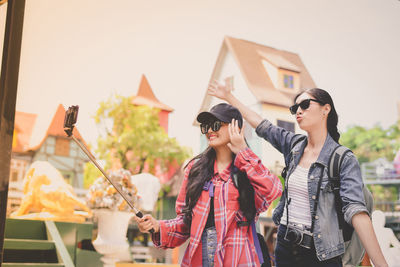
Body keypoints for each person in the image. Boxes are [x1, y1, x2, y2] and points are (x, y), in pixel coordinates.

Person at [207, 78, 388, 267]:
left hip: (322, 254)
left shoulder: (343, 158)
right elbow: (262, 125)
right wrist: (228, 96)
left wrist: (381, 264)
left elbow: (356, 211)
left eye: (305, 104)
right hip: (286, 245)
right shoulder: (294, 146)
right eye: (295, 108)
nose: (298, 111)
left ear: (326, 109)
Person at [134, 103, 282, 267]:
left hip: (239, 258)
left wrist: (243, 151)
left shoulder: (248, 170)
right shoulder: (195, 170)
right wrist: (157, 226)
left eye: (216, 125)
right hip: (200, 258)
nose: (210, 130)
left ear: (237, 128)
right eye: (206, 126)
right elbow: (185, 222)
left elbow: (274, 190)